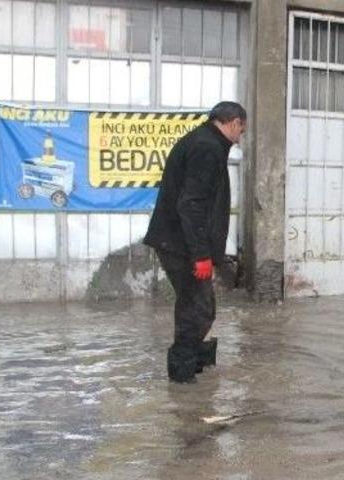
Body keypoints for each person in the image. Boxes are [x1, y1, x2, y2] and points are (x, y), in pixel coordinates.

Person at [144, 101, 246, 383]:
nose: (240, 137)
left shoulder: (204, 142)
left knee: (202, 305)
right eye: (242, 129)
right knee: (197, 308)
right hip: (181, 245)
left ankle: (199, 364)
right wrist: (201, 254)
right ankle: (182, 375)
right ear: (234, 122)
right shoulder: (207, 148)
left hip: (179, 241)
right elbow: (191, 204)